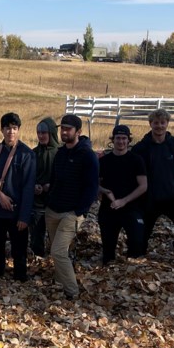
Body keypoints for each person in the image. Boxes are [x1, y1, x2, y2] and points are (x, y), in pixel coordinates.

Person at [45, 113, 99, 299]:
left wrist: (79, 211)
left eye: (68, 129)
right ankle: (61, 282)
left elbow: (92, 187)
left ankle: (72, 292)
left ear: (79, 131)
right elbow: (54, 179)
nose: (64, 132)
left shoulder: (87, 155)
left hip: (72, 213)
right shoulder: (61, 153)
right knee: (59, 250)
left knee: (58, 252)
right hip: (53, 210)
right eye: (63, 129)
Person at [131, 108, 174, 254]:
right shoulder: (141, 148)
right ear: (150, 124)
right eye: (156, 123)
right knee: (139, 240)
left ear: (167, 123)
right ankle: (140, 261)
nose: (159, 126)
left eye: (162, 122)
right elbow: (132, 174)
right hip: (148, 199)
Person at [0, 111, 36, 281]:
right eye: (7, 128)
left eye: (14, 128)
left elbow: (28, 187)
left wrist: (24, 217)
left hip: (16, 212)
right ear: (1, 130)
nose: (10, 132)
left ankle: (20, 279)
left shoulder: (27, 154)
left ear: (18, 130)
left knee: (19, 250)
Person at [97, 125, 148, 264]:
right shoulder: (104, 161)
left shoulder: (136, 160)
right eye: (118, 138)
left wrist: (124, 201)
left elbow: (143, 185)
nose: (121, 141)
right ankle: (108, 277)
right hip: (109, 208)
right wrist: (105, 191)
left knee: (137, 244)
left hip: (132, 208)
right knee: (108, 250)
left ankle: (132, 273)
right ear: (112, 140)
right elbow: (94, 184)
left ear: (129, 140)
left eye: (124, 138)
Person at [30, 116, 60, 258]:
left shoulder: (61, 153)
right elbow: (28, 175)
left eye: (44, 132)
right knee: (36, 237)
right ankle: (38, 261)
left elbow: (66, 177)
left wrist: (52, 186)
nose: (41, 136)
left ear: (52, 133)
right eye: (39, 133)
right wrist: (34, 185)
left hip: (56, 204)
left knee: (57, 240)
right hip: (37, 203)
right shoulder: (33, 153)